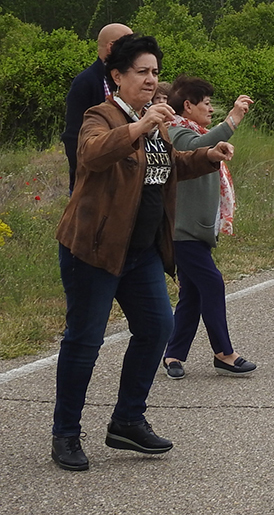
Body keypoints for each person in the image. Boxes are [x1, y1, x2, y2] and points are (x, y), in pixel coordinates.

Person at [52, 34, 233, 471]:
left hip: (141, 251)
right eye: (142, 72)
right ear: (117, 76)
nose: (151, 79)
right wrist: (139, 126)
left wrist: (208, 154)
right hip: (95, 249)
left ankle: (127, 421)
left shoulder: (156, 122)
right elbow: (92, 153)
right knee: (85, 341)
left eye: (155, 72)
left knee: (156, 327)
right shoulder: (102, 115)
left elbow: (168, 168)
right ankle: (66, 433)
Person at [161, 76, 257, 380]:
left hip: (197, 230)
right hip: (182, 231)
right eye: (206, 103)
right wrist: (233, 118)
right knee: (213, 283)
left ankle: (173, 354)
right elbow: (197, 147)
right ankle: (224, 354)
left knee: (192, 294)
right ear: (188, 106)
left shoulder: (193, 131)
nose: (211, 109)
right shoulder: (175, 132)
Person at [62, 23, 132, 191]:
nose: (134, 51)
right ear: (111, 47)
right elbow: (73, 135)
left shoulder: (126, 79)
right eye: (129, 45)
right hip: (93, 182)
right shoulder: (86, 82)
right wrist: (83, 174)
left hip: (124, 179)